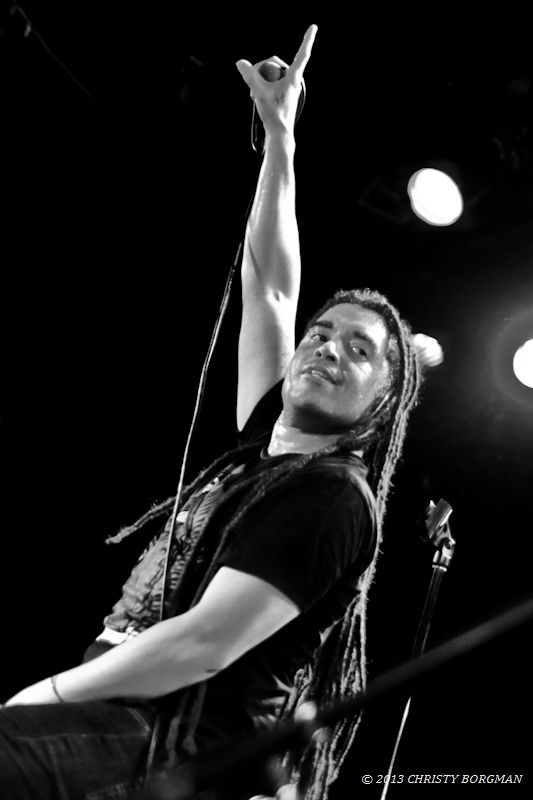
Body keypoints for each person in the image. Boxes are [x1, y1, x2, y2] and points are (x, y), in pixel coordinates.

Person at [0, 24, 423, 800]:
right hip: (123, 714)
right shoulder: (267, 443)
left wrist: (43, 697)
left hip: (173, 748)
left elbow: (200, 645)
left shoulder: (332, 496)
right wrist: (279, 136)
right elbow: (270, 288)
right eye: (322, 333)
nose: (327, 348)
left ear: (382, 403)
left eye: (359, 350)